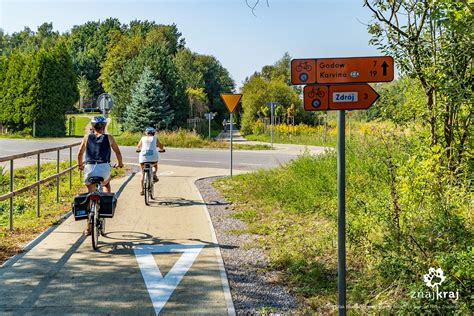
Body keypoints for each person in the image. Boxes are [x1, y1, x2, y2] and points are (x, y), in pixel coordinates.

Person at [78, 116, 123, 235]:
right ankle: (106, 202)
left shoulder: (87, 137)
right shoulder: (109, 138)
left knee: (90, 193)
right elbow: (117, 152)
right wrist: (120, 163)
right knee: (106, 184)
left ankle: (88, 228)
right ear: (104, 126)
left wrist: (80, 165)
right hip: (103, 168)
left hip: (90, 168)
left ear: (93, 127)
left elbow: (80, 153)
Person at [136, 127, 165, 195]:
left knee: (143, 173)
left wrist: (138, 149)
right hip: (153, 158)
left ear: (146, 133)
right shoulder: (155, 138)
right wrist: (162, 149)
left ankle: (142, 190)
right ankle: (154, 174)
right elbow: (160, 146)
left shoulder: (143, 138)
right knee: (155, 165)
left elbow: (138, 146)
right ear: (154, 133)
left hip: (143, 158)